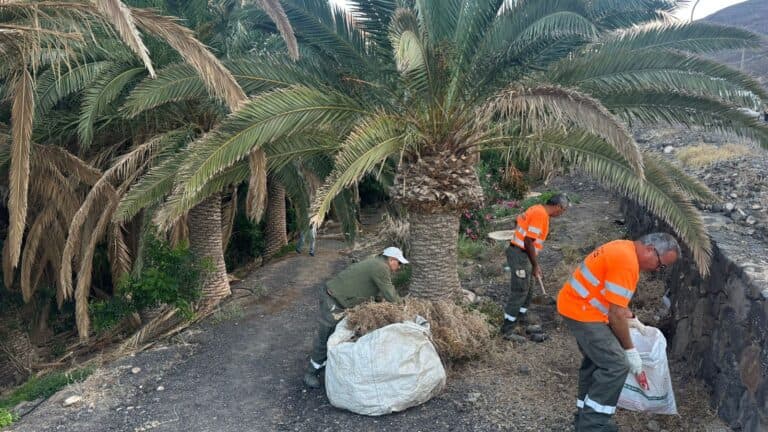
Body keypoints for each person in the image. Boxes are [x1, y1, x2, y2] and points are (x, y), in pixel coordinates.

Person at [557, 233, 680, 432]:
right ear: (650, 249)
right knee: (616, 364)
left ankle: (584, 417)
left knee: (595, 361)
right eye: (661, 265)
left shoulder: (623, 247)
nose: (658, 270)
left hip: (577, 305)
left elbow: (615, 301)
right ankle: (593, 425)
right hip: (582, 311)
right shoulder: (627, 262)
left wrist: (632, 318)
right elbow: (615, 316)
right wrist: (630, 352)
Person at [302, 246, 408, 389]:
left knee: (337, 335)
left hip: (339, 300)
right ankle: (311, 372)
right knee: (325, 335)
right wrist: (404, 307)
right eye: (399, 263)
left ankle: (327, 364)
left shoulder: (376, 263)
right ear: (391, 259)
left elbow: (376, 290)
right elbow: (390, 294)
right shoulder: (381, 267)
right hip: (333, 301)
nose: (399, 267)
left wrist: (378, 303)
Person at [501, 193, 569, 342]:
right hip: (519, 254)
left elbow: (518, 222)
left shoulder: (536, 209)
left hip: (522, 254)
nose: (562, 214)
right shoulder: (540, 214)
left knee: (529, 290)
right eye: (563, 211)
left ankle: (522, 321)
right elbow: (528, 241)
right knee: (520, 291)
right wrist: (535, 265)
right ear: (558, 207)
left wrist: (532, 263)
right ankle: (507, 330)